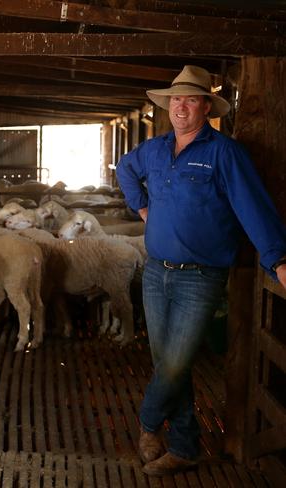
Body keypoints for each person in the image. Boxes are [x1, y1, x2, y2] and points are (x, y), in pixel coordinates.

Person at [116, 65, 286, 476]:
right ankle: (186, 446)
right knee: (170, 365)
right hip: (156, 273)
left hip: (200, 276)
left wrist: (278, 258)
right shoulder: (155, 150)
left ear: (206, 107)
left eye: (190, 99)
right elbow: (125, 168)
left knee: (174, 363)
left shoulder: (224, 153)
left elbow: (253, 207)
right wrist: (140, 205)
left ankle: (149, 421)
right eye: (175, 99)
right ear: (167, 106)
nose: (181, 107)